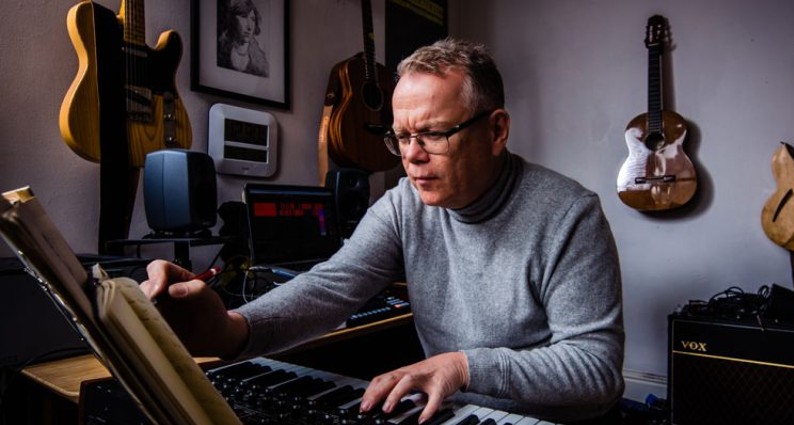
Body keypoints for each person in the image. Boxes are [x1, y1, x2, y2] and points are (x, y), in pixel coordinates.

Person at [141, 38, 624, 424]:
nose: (412, 156)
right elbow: (330, 287)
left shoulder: (569, 216)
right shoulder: (403, 205)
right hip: (452, 414)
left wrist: (463, 365)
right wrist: (231, 328)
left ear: (496, 130)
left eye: (433, 134)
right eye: (402, 137)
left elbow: (595, 370)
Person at [217, 0, 269, 77]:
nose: (249, 26)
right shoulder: (220, 50)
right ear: (233, 20)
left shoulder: (261, 62)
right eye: (244, 17)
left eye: (253, 19)